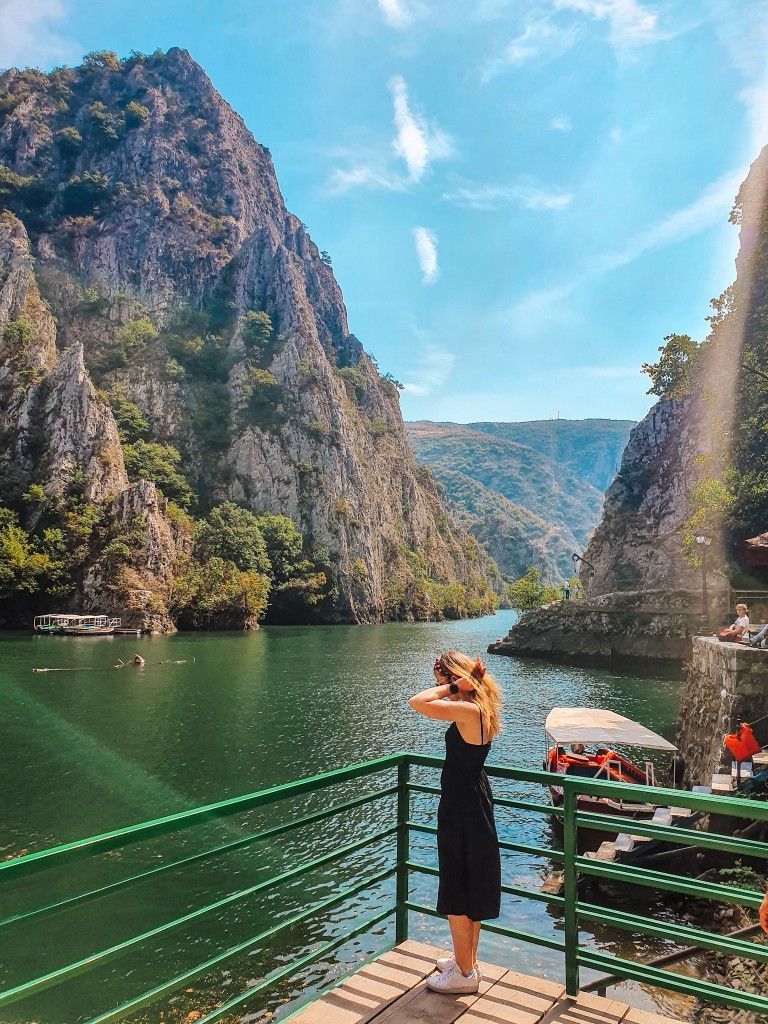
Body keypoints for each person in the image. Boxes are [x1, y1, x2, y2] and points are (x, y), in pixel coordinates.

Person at [408, 650, 502, 995]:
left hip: (461, 808)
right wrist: (461, 684)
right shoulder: (481, 708)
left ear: (453, 677)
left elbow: (416, 701)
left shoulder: (465, 709)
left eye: (439, 677)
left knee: (457, 890)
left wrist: (452, 689)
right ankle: (467, 965)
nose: (436, 682)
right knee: (469, 885)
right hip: (473, 802)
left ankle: (463, 977)